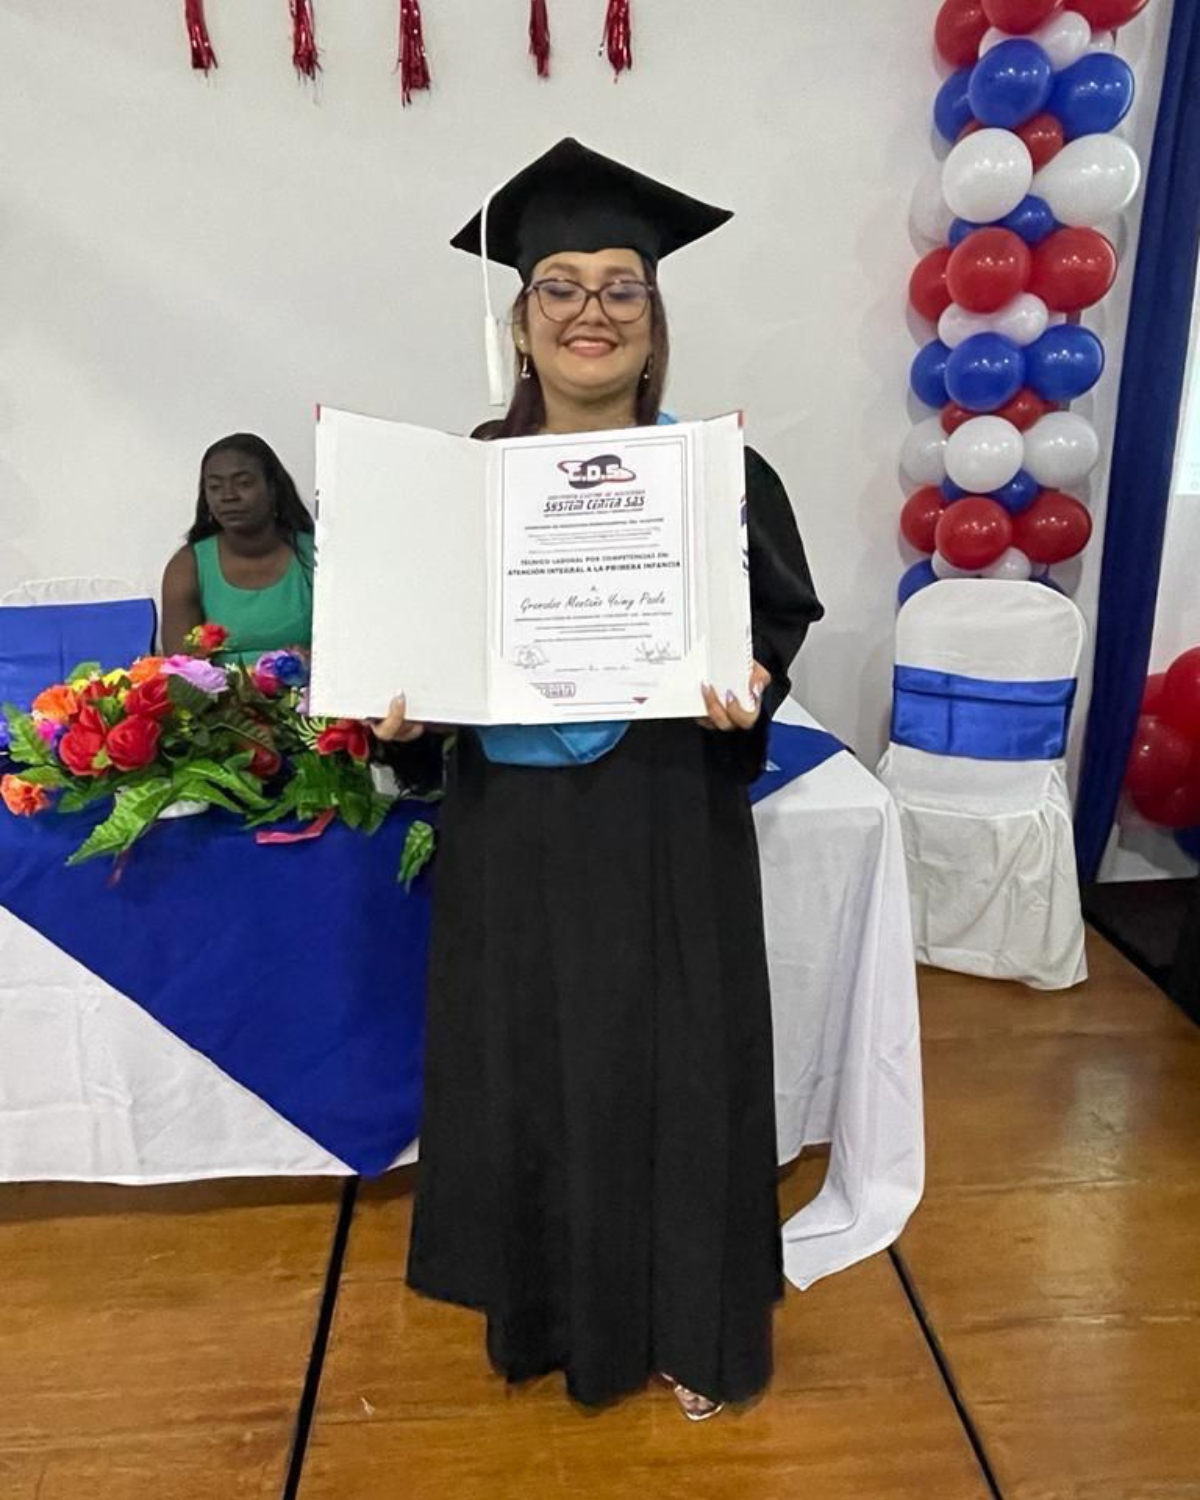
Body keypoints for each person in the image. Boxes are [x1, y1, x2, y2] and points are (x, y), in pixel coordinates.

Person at [373, 139, 824, 1419]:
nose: (590, 309)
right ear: (520, 322)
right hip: (513, 834)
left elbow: (769, 640)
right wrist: (403, 728)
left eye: (621, 285)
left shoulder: (722, 478)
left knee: (677, 1073)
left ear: (655, 320)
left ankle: (693, 1325)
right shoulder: (456, 484)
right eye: (559, 284)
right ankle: (553, 1314)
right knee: (534, 1070)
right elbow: (417, 678)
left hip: (663, 822)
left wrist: (751, 693)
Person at [161, 434, 315, 665]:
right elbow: (181, 673)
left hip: (311, 697)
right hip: (219, 700)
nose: (228, 496)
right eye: (214, 487)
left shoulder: (317, 556)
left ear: (272, 488)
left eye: (243, 483)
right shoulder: (187, 566)